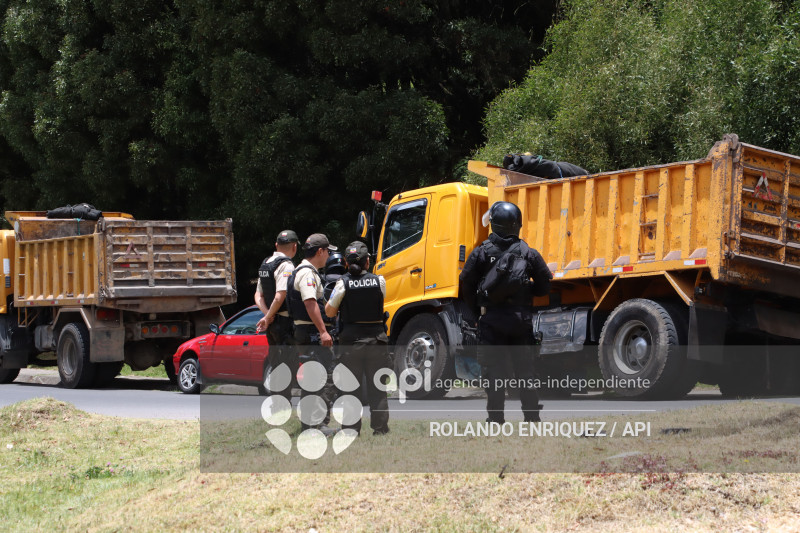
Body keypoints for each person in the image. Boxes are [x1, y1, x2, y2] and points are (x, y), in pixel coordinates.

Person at [458, 201, 552, 424]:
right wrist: (527, 293)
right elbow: (545, 284)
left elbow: (465, 283)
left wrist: (476, 313)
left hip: (491, 322)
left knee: (494, 374)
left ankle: (496, 420)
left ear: (494, 225)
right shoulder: (528, 252)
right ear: (516, 225)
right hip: (521, 321)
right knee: (526, 372)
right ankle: (532, 419)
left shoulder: (481, 252)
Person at [325, 241, 390, 435]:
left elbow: (329, 312)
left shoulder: (342, 283)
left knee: (350, 388)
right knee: (378, 387)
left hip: (351, 344)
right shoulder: (379, 281)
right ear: (367, 262)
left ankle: (352, 429)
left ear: (345, 262)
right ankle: (380, 429)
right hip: (377, 341)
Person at [287, 233, 337, 433]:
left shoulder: (298, 270)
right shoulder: (308, 273)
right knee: (324, 378)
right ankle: (318, 424)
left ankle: (308, 424)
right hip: (312, 333)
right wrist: (324, 331)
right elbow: (310, 303)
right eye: (327, 252)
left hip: (303, 331)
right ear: (320, 251)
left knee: (311, 380)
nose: (329, 256)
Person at [254, 230, 299, 400]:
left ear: (276, 245)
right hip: (284, 323)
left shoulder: (265, 264)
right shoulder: (286, 265)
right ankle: (282, 405)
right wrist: (268, 316)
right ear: (294, 247)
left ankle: (277, 403)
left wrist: (266, 315)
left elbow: (258, 296)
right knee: (287, 366)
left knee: (276, 363)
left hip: (272, 324)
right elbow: (281, 295)